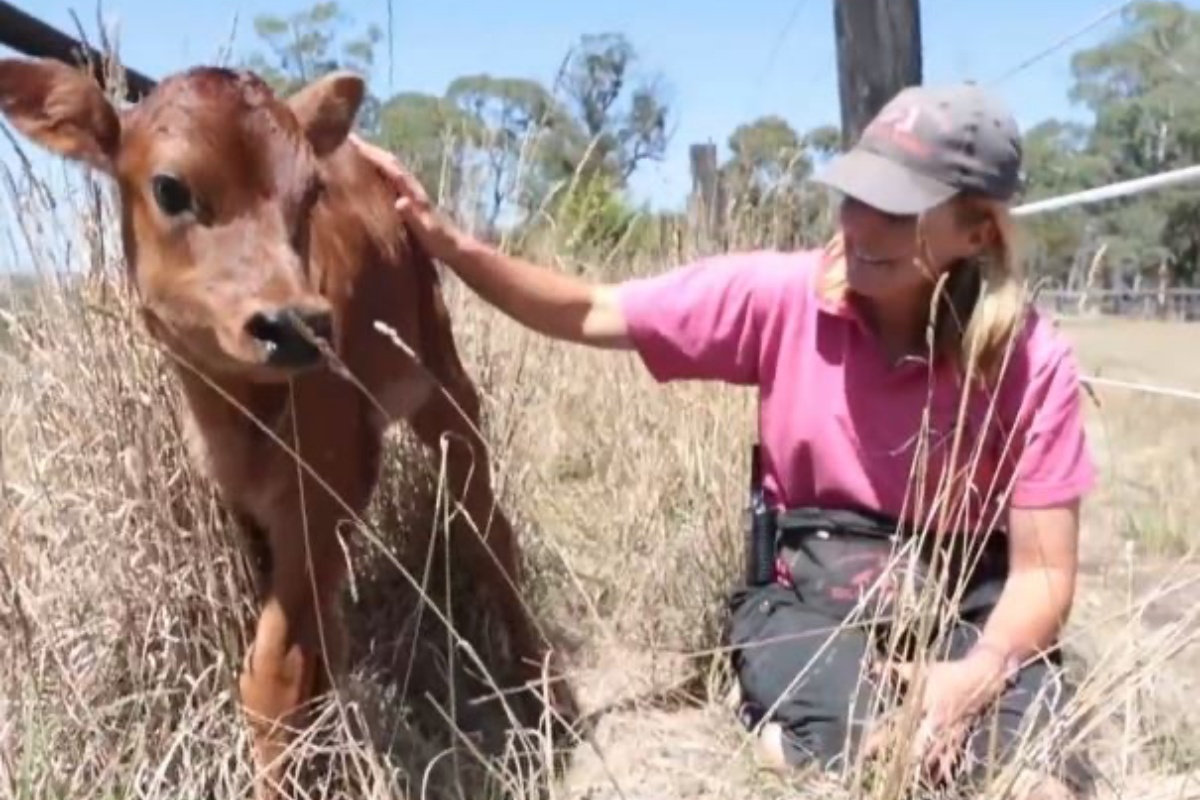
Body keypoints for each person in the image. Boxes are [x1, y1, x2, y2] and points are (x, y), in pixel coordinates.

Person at [349, 81, 1097, 798]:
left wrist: (981, 669)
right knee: (870, 748)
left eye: (897, 213)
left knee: (1028, 772)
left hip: (966, 598)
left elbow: (1040, 577)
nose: (859, 227)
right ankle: (796, 737)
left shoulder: (1031, 363)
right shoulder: (779, 297)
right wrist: (451, 246)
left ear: (978, 233)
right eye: (854, 197)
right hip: (811, 593)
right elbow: (589, 311)